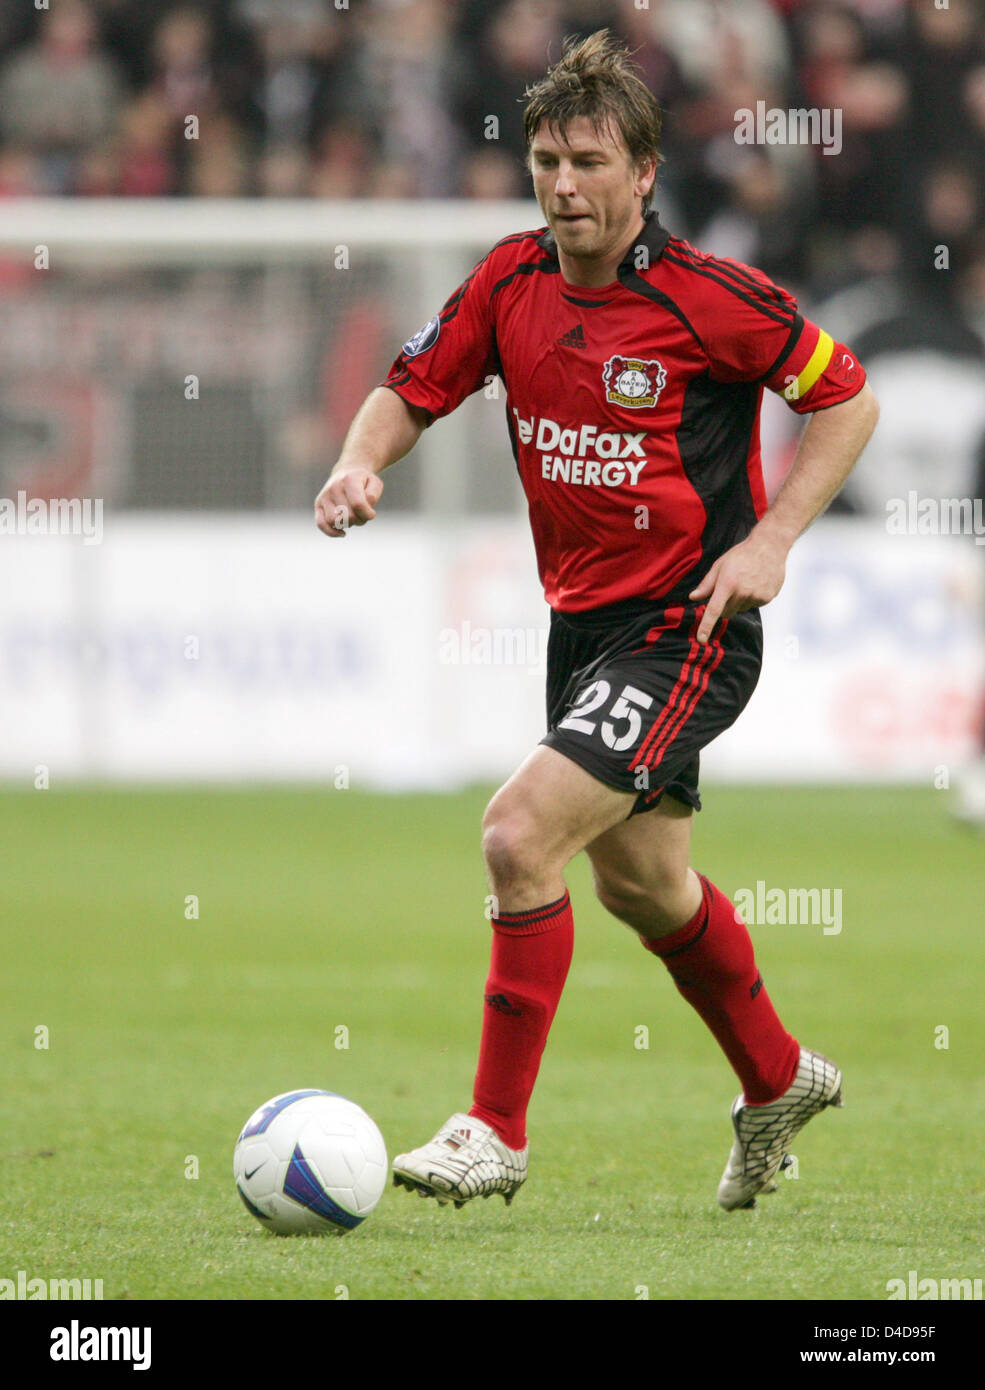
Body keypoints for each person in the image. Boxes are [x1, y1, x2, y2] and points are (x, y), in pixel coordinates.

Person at [314, 31, 879, 1212]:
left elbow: (844, 396)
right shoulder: (508, 281)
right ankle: (777, 1076)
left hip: (689, 623)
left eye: (588, 161)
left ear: (644, 173)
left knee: (518, 835)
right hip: (581, 631)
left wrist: (771, 539)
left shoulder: (708, 296)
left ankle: (494, 1130)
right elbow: (409, 389)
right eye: (545, 161)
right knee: (643, 886)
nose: (563, 185)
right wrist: (359, 463)